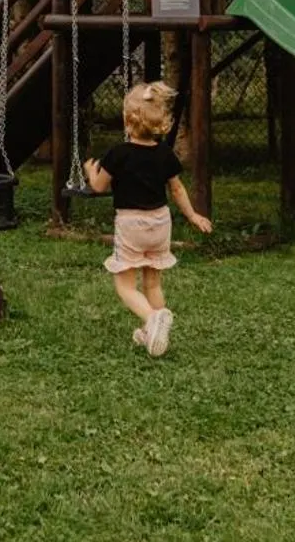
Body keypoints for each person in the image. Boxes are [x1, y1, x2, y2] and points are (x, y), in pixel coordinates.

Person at [83, 82, 213, 356]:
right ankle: (152, 333)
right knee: (153, 282)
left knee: (125, 285)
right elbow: (176, 188)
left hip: (131, 223)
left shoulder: (117, 154)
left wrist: (90, 171)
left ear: (127, 121)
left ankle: (152, 319)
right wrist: (192, 215)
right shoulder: (165, 153)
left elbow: (98, 187)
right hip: (160, 222)